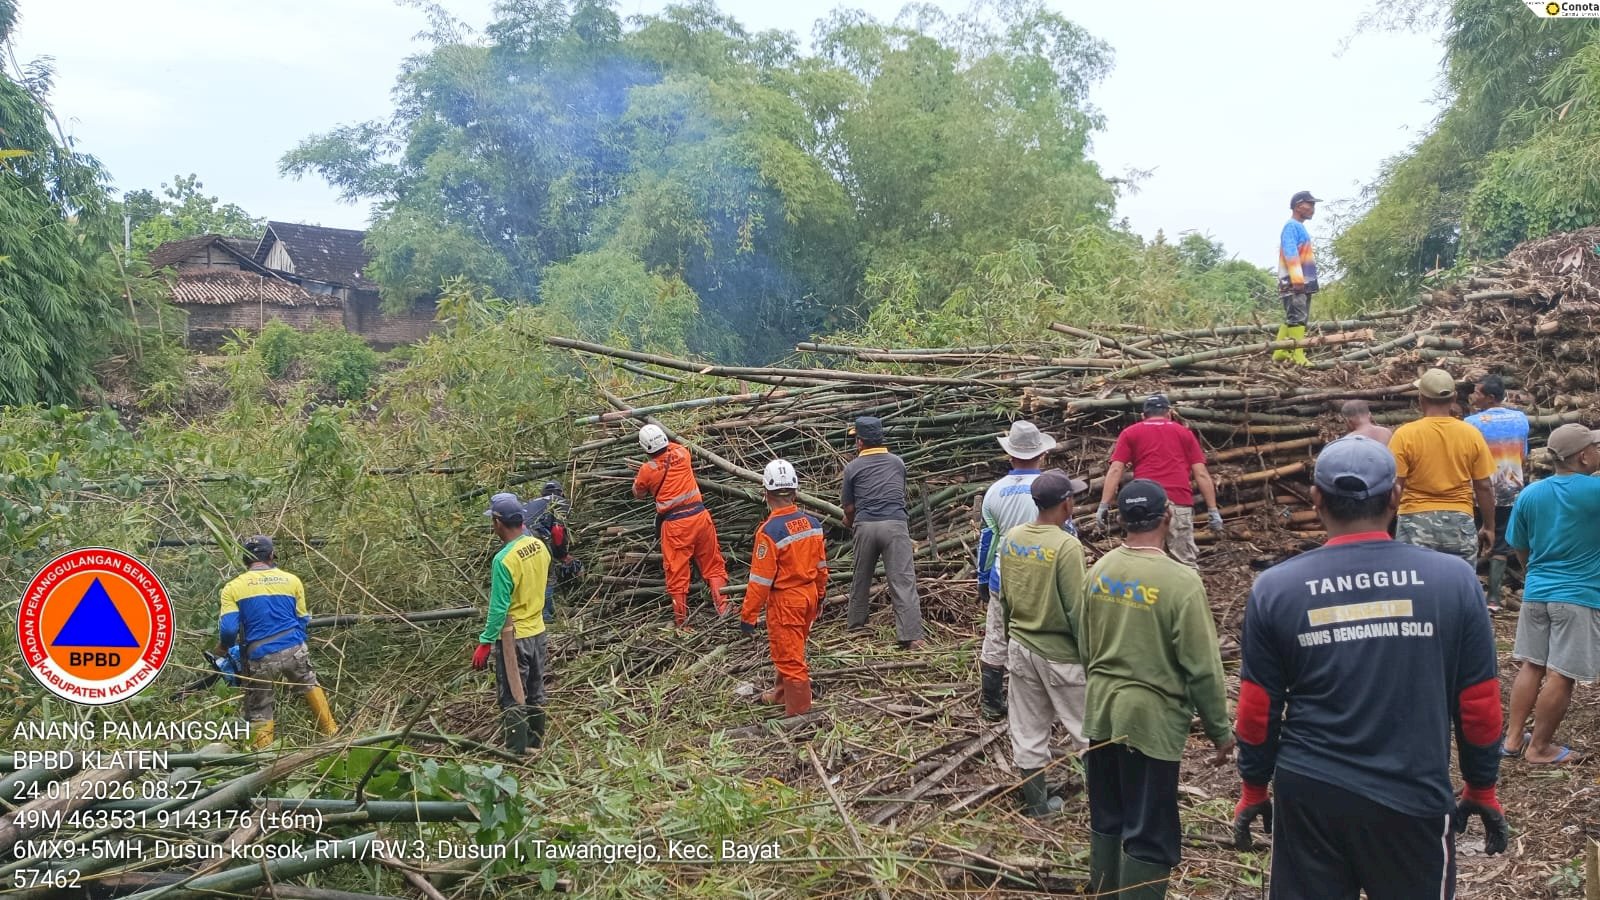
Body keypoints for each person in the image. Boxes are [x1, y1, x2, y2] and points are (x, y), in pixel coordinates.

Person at [1233, 436, 1506, 898]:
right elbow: (1478, 702)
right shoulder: (1453, 579)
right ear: (1396, 496)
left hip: (1312, 796)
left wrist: (1254, 786)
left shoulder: (1276, 588)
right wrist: (1481, 785)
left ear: (1316, 498)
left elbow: (1257, 710)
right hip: (1413, 793)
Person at [1081, 480, 1232, 899]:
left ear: (1122, 519)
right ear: (1168, 516)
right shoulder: (1180, 582)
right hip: (1150, 721)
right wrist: (1219, 730)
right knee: (1150, 830)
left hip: (1101, 709)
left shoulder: (1099, 570)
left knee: (1108, 813)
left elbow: (1085, 643)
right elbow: (1203, 668)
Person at [1501, 423, 1600, 765]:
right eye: (1595, 448)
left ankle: (1512, 741)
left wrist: (1535, 574)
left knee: (1533, 665)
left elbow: (1519, 545)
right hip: (1578, 595)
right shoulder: (1595, 491)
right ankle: (1540, 748)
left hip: (1536, 592)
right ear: (1584, 456)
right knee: (1562, 672)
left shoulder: (1530, 493)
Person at [995, 469, 1090, 819]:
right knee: (1088, 731)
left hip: (1021, 645)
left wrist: (1009, 638)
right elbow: (1076, 608)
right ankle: (1106, 808)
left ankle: (1037, 806)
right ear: (1066, 504)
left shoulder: (1013, 538)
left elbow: (1005, 597)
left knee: (1028, 730)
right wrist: (1090, 656)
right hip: (1061, 654)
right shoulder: (1066, 546)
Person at [975, 420, 1064, 720]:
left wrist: (983, 579)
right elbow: (1069, 535)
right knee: (1041, 635)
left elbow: (988, 541)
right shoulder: (1052, 490)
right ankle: (1041, 701)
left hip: (1005, 575)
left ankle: (991, 702)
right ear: (1041, 455)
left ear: (1010, 455)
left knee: (997, 635)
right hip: (1045, 575)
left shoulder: (994, 492)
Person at [219, 535, 338, 750]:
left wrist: (225, 647)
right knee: (309, 683)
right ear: (272, 555)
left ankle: (264, 757)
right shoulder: (292, 580)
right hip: (295, 649)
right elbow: (302, 619)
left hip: (260, 656)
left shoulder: (233, 588)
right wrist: (297, 642)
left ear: (245, 560)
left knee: (261, 705)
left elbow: (228, 629)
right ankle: (332, 734)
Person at [741, 460, 828, 717]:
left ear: (765, 493)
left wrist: (748, 616)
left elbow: (760, 581)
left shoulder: (769, 532)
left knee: (790, 659)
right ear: (795, 491)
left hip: (786, 602)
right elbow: (822, 567)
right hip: (809, 595)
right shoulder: (813, 524)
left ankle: (800, 715)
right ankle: (781, 694)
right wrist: (820, 596)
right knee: (792, 647)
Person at [1094, 394, 1223, 568]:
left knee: (1145, 562)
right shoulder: (1184, 433)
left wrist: (1103, 505)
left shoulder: (1131, 433)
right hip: (1179, 502)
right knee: (1185, 563)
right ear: (1169, 413)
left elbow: (1116, 469)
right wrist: (1213, 510)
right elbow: (1201, 474)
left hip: (1145, 506)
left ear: (1143, 415)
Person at [1389, 367, 1496, 570]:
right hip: (1459, 522)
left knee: (1417, 591)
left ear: (1421, 399)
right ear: (1454, 397)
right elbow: (1483, 486)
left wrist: (1382, 527)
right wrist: (1489, 527)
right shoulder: (1471, 434)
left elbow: (1396, 486)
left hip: (1415, 523)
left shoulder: (1405, 435)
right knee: (1459, 591)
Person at [471, 494, 550, 753]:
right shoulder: (539, 546)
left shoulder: (503, 560)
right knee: (535, 691)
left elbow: (498, 608)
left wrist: (484, 642)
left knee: (513, 696)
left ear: (497, 522)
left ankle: (516, 750)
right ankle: (536, 743)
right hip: (538, 632)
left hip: (513, 639)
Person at [632, 423, 729, 628]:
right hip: (701, 518)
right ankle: (724, 608)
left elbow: (638, 493)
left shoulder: (646, 470)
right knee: (713, 565)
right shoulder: (683, 453)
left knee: (676, 574)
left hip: (676, 526)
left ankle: (682, 623)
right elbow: (673, 446)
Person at [841, 416, 926, 650]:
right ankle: (911, 636)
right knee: (902, 580)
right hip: (895, 526)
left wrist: (849, 521)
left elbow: (848, 507)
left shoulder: (852, 467)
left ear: (860, 442)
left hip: (866, 526)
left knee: (861, 578)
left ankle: (856, 626)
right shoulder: (897, 463)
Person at [1465, 375, 1529, 612]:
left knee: (1472, 540)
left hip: (1478, 491)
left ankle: (1468, 596)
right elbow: (1523, 453)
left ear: (1490, 398)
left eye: (1478, 393)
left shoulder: (1471, 423)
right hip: (1511, 488)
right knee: (1500, 543)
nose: (1474, 396)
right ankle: (1493, 599)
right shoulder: (1521, 419)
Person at [524, 483, 582, 624]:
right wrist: (561, 554)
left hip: (519, 539)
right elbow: (557, 531)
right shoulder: (559, 502)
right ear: (561, 492)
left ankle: (528, 611)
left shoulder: (530, 504)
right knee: (548, 576)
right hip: (538, 539)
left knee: (530, 576)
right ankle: (545, 615)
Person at [1273, 190, 1320, 366]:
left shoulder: (1299, 227)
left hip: (1303, 282)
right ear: (1299, 206)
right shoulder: (1291, 226)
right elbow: (1290, 253)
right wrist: (1297, 280)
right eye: (1310, 204)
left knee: (1296, 316)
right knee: (1298, 317)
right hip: (1295, 282)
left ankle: (1280, 352)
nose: (1313, 209)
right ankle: (1297, 354)